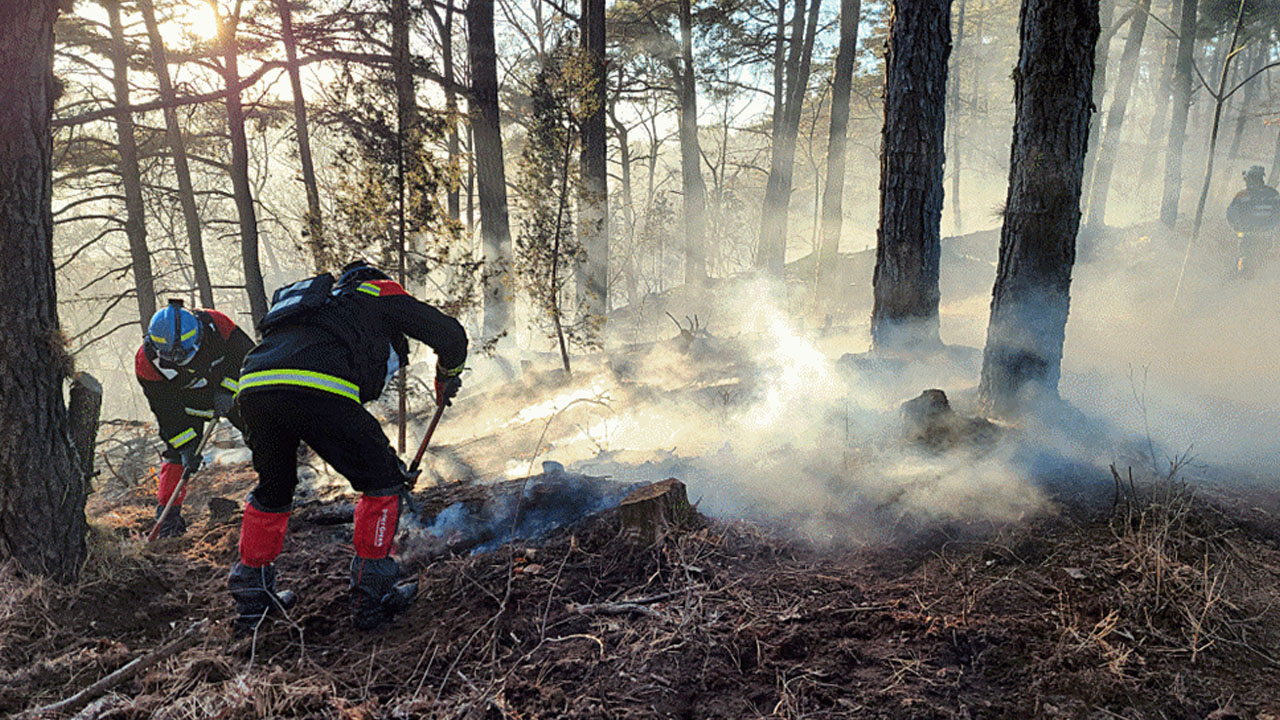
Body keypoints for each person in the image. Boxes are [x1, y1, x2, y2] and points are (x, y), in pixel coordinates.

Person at [228, 261, 467, 632]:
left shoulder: (317, 305)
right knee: (383, 484)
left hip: (254, 387)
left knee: (274, 488)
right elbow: (449, 334)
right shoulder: (376, 291)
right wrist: (447, 374)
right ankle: (371, 599)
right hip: (318, 387)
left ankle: (252, 602)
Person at [135, 299, 254, 537]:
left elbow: (249, 359)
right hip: (187, 407)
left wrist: (228, 389)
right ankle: (168, 519)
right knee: (176, 454)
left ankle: (278, 486)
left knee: (259, 430)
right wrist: (187, 446)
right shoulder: (146, 362)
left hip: (228, 393)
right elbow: (166, 412)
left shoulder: (217, 325)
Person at [1226, 165, 1280, 276]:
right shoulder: (1273, 195)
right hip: (1265, 237)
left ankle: (1242, 280)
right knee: (1261, 262)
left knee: (1245, 260)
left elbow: (1230, 215)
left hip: (1248, 237)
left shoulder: (1242, 195)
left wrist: (1238, 228)